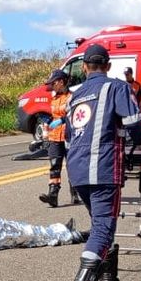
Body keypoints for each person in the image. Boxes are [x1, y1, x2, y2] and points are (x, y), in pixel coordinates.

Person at [58, 43, 141, 281]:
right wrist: (137, 140)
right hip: (104, 168)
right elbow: (134, 122)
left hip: (78, 170)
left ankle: (106, 279)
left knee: (99, 226)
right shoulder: (116, 88)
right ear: (107, 66)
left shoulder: (74, 96)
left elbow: (69, 136)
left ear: (84, 68)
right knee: (104, 229)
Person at [38, 69, 78, 207]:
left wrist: (62, 120)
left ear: (61, 82)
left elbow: (74, 116)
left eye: (53, 83)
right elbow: (54, 115)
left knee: (72, 166)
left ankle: (76, 194)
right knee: (55, 166)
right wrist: (48, 120)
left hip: (69, 136)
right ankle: (53, 196)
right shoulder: (54, 99)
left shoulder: (72, 97)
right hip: (55, 137)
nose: (52, 86)